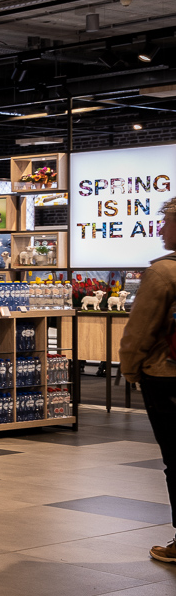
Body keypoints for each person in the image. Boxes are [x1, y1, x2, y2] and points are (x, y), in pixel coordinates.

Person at [119, 197, 176, 565]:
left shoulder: (163, 273)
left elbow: (139, 332)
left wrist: (130, 369)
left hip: (167, 376)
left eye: (166, 221)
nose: (160, 228)